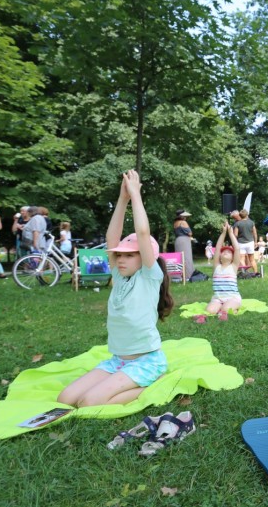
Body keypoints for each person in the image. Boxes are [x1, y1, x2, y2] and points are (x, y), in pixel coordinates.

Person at [57, 170, 174, 407]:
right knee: (66, 398)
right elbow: (112, 238)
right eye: (119, 255)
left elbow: (142, 232)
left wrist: (136, 194)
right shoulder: (120, 278)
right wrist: (122, 199)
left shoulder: (150, 277)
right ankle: (125, 383)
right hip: (117, 361)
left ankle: (154, 382)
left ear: (144, 257)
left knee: (89, 402)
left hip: (146, 362)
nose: (121, 259)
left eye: (129, 255)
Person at [192, 224, 241, 324]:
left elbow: (237, 249)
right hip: (218, 298)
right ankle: (215, 313)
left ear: (233, 257)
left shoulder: (233, 266)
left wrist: (231, 233)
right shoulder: (216, 266)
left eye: (229, 252)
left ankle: (225, 311)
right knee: (209, 310)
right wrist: (223, 233)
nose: (226, 252)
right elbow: (218, 248)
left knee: (226, 308)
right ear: (219, 256)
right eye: (224, 252)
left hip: (233, 297)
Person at [233, 209, 258, 277]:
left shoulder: (237, 223)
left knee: (242, 259)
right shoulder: (251, 222)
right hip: (250, 242)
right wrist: (255, 242)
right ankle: (256, 273)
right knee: (252, 259)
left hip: (241, 243)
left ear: (240, 215)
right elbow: (255, 233)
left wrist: (234, 243)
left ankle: (245, 273)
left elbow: (235, 235)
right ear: (247, 215)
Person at [173, 209, 195, 280]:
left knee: (179, 258)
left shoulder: (175, 223)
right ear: (182, 216)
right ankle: (188, 276)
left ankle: (179, 276)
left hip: (177, 240)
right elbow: (190, 233)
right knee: (186, 257)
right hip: (184, 240)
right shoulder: (183, 222)